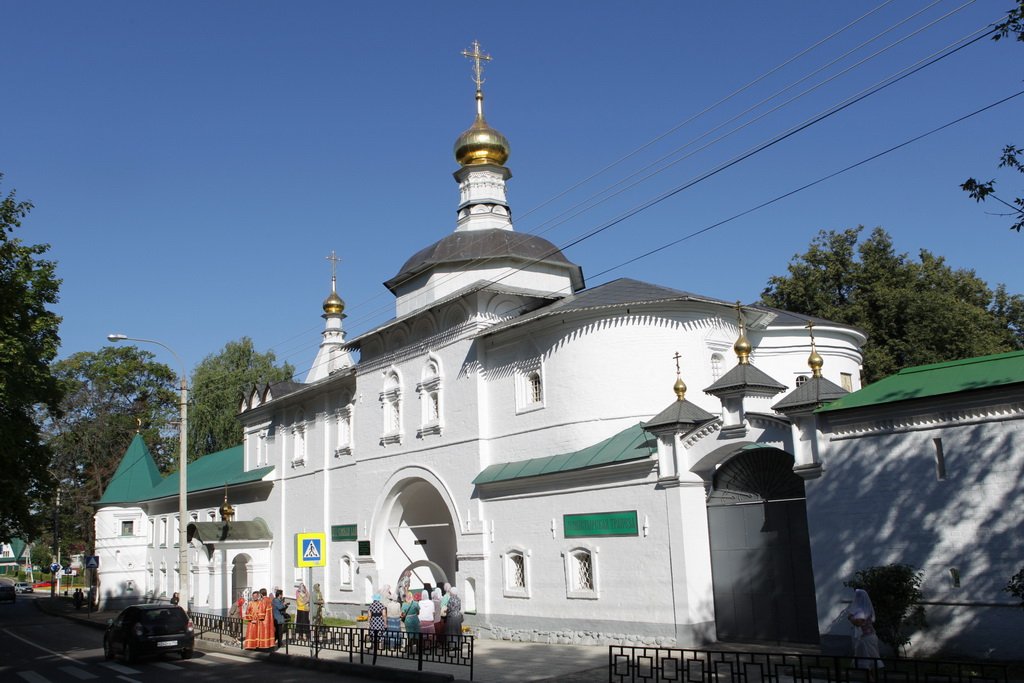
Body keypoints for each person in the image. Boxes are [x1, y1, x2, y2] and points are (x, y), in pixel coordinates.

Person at [849, 588, 884, 681]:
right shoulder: (868, 608)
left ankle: (871, 680)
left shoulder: (860, 610)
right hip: (871, 636)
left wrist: (851, 618)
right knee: (872, 661)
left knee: (865, 662)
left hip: (865, 639)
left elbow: (859, 623)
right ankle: (874, 679)